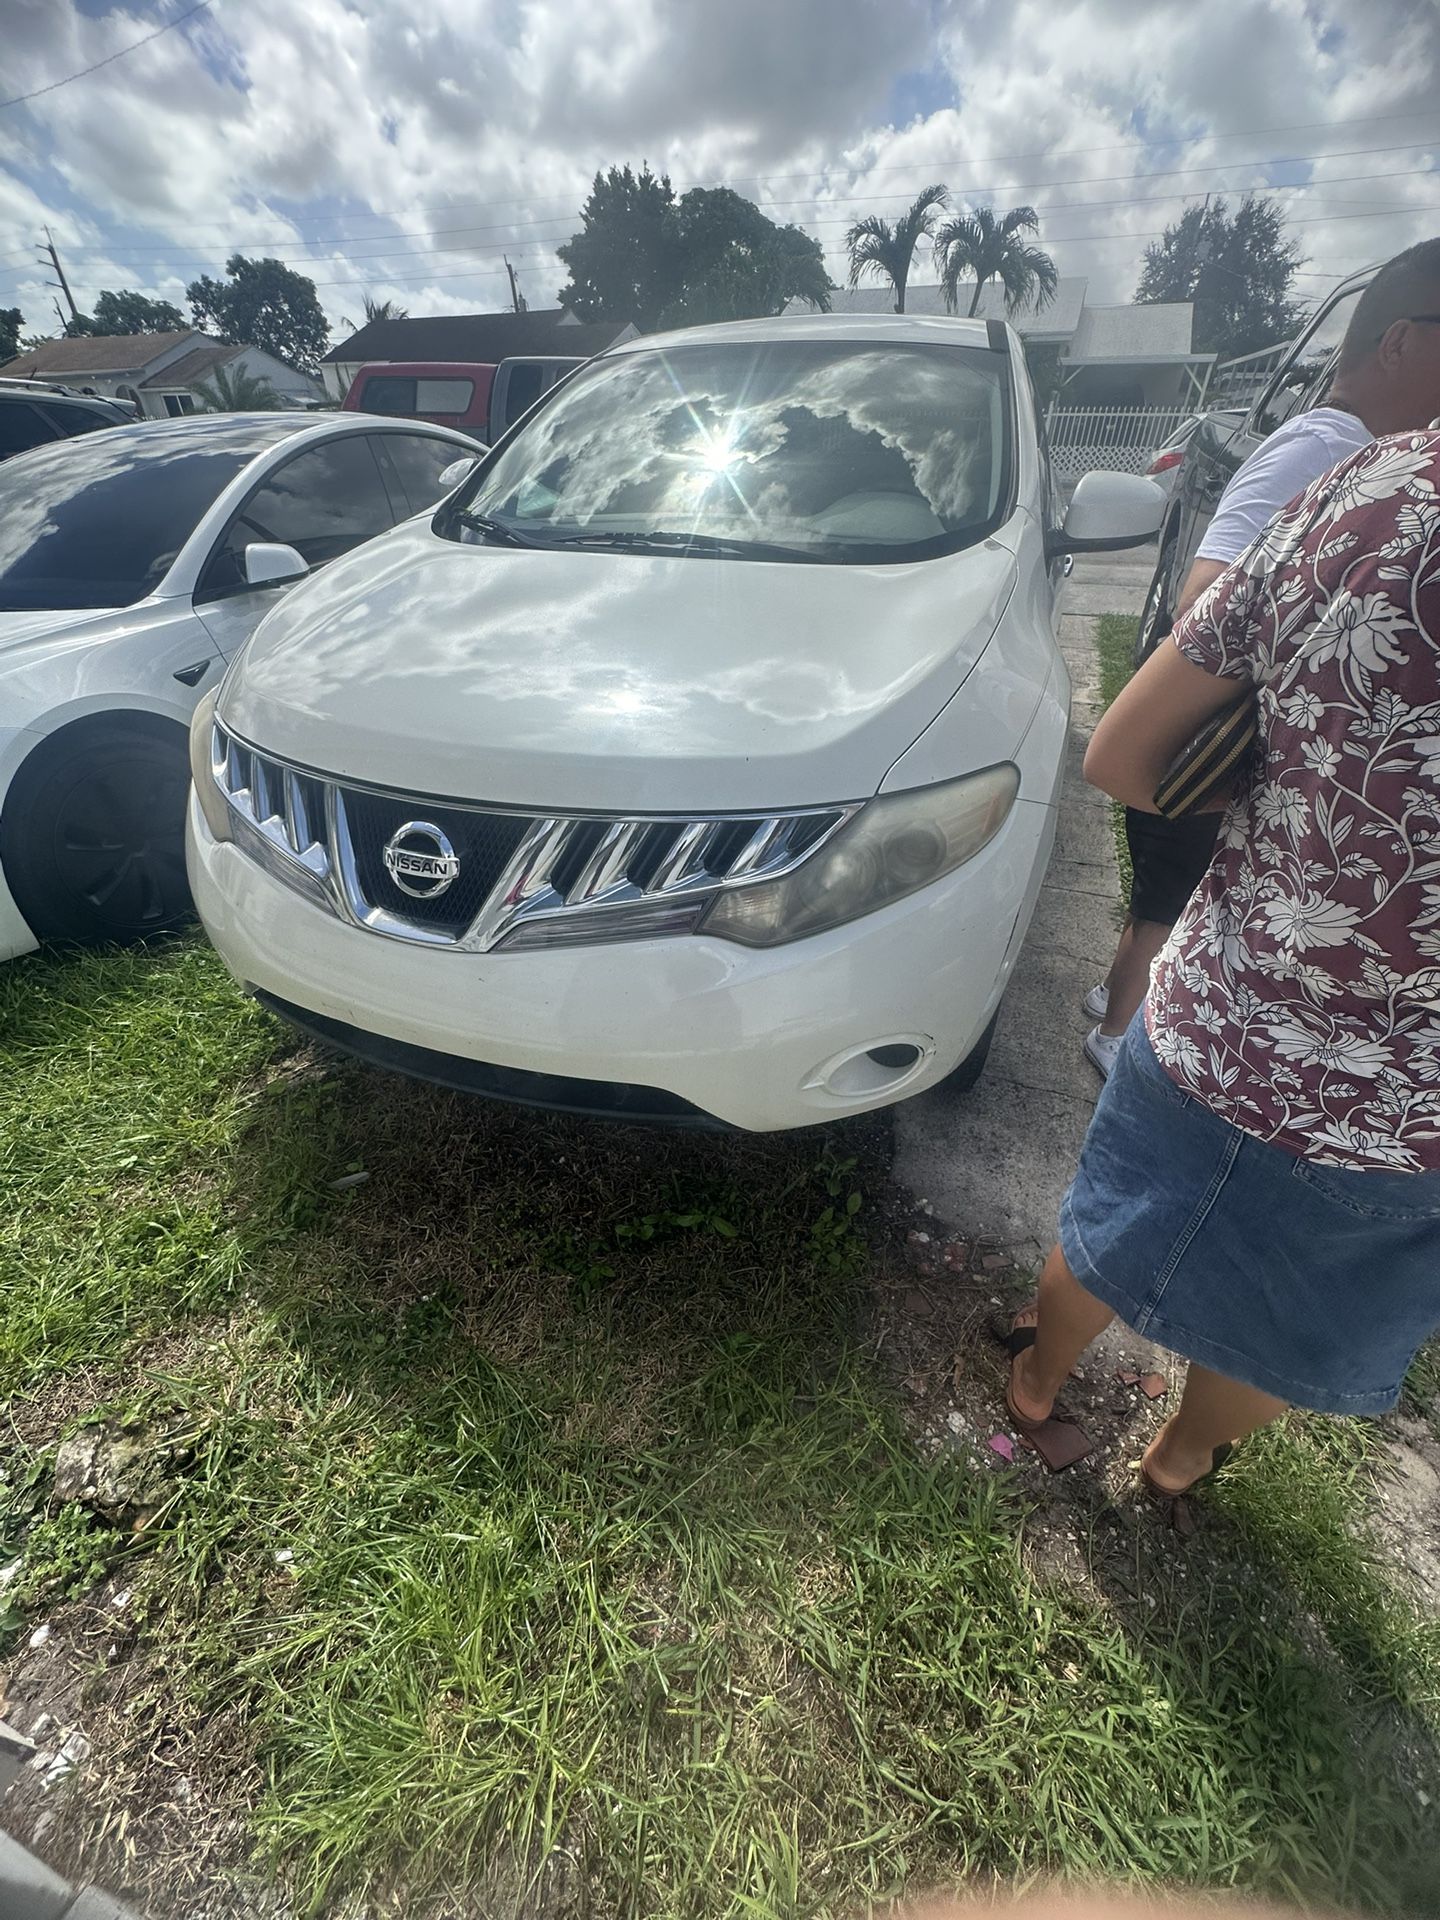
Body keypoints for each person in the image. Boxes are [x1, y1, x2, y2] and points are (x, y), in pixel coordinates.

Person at [1008, 417, 1440, 1496]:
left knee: (1112, 1227)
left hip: (1220, 1008)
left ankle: (1034, 1390)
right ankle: (1181, 1460)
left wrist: (1297, 812)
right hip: (1406, 1113)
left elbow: (1124, 754)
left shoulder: (1367, 487)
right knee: (1289, 1317)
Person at [1085, 236, 1440, 1078]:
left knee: (1157, 905)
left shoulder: (1348, 453)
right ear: (1399, 342)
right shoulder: (1325, 452)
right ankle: (1114, 1044)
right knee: (1169, 906)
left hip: (1208, 733)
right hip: (1206, 735)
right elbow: (1201, 598)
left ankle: (1110, 1006)